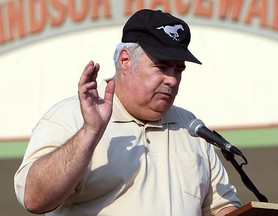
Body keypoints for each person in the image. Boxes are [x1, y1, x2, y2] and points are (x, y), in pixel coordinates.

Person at [14, 9, 241, 216]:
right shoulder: (72, 116)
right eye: (161, 67)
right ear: (125, 60)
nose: (172, 79)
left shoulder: (190, 127)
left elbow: (219, 207)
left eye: (178, 69)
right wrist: (89, 132)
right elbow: (34, 199)